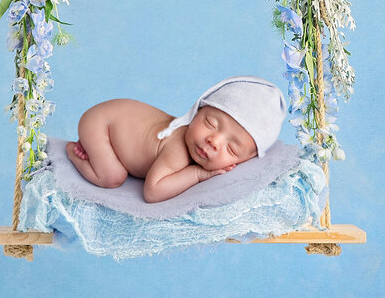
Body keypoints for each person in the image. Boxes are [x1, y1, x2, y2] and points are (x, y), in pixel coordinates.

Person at [66, 76, 286, 203]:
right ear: (196, 112)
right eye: (210, 123)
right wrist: (198, 174)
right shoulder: (178, 148)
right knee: (112, 176)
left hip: (116, 122)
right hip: (101, 123)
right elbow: (152, 192)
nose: (213, 141)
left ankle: (96, 150)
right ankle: (73, 151)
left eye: (231, 148)